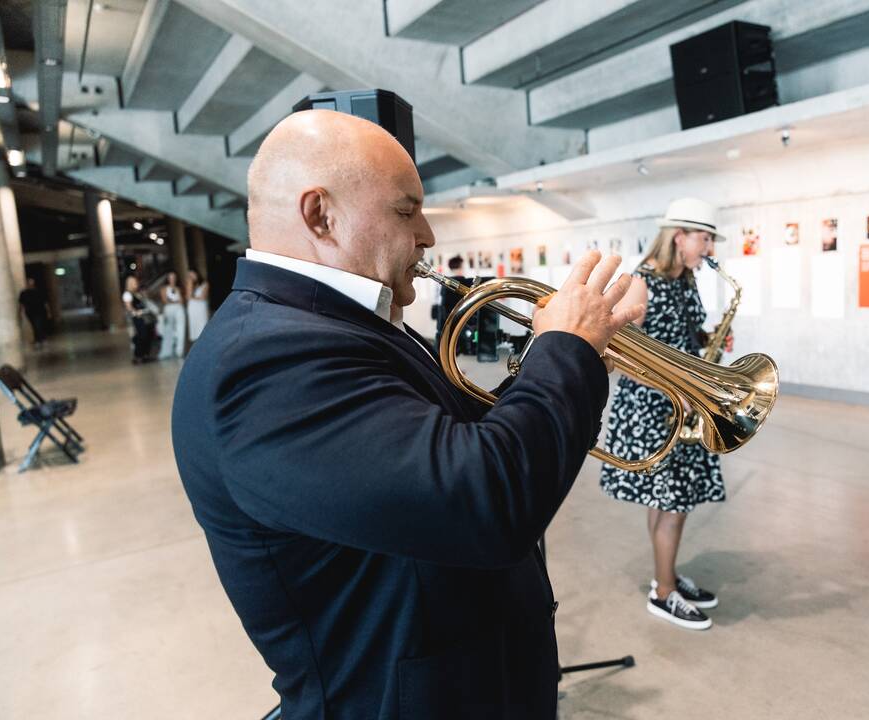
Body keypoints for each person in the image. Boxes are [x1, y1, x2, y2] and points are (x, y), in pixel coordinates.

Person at [170, 109, 642, 720]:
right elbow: (485, 499)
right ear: (320, 214)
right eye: (405, 210)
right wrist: (566, 353)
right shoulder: (262, 361)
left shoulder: (331, 325)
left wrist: (577, 364)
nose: (427, 235)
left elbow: (452, 443)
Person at [600, 197, 728, 631]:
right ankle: (663, 593)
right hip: (654, 409)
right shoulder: (640, 283)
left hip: (685, 403)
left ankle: (666, 574)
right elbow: (617, 352)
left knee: (673, 499)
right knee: (671, 501)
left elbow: (686, 332)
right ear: (679, 237)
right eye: (704, 238)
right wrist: (674, 387)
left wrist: (711, 336)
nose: (709, 248)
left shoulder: (686, 279)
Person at [121, 276, 155, 364]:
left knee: (148, 335)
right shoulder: (127, 294)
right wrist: (136, 312)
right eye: (134, 282)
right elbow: (129, 307)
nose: (136, 284)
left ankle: (145, 355)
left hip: (145, 316)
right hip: (138, 317)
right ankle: (138, 356)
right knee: (141, 336)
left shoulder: (137, 293)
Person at [158, 271, 186, 359]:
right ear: (167, 278)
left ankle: (179, 351)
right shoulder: (163, 288)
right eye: (170, 277)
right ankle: (168, 351)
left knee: (181, 328)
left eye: (174, 277)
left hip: (179, 309)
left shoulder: (179, 288)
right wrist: (175, 301)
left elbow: (182, 301)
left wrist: (177, 294)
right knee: (168, 329)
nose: (172, 279)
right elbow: (165, 300)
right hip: (169, 310)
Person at [18, 277, 50, 348]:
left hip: (40, 311)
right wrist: (20, 313)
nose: (30, 284)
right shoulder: (24, 293)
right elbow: (21, 304)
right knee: (35, 325)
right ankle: (39, 339)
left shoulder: (39, 292)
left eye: (31, 282)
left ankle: (40, 339)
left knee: (38, 325)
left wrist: (48, 311)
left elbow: (45, 302)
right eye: (29, 282)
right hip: (30, 312)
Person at [185, 269, 210, 342]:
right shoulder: (190, 284)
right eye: (189, 276)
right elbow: (187, 296)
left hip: (201, 306)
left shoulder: (205, 283)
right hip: (192, 307)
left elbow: (203, 297)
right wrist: (190, 284)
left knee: (203, 322)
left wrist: (192, 297)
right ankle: (196, 341)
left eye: (192, 274)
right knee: (194, 323)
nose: (191, 277)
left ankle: (205, 340)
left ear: (197, 273)